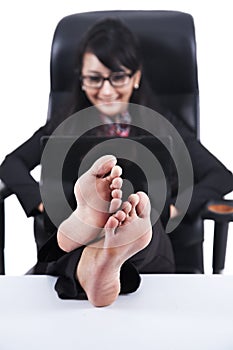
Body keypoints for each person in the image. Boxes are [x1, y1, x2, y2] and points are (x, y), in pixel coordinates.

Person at [0, 17, 232, 292]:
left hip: (147, 241)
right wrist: (39, 201)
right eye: (95, 79)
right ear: (82, 80)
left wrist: (176, 206)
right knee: (78, 228)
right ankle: (93, 247)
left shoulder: (161, 123)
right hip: (76, 228)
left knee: (139, 219)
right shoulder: (65, 124)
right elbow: (11, 164)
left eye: (117, 77)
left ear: (135, 77)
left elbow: (220, 175)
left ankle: (102, 253)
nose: (106, 90)